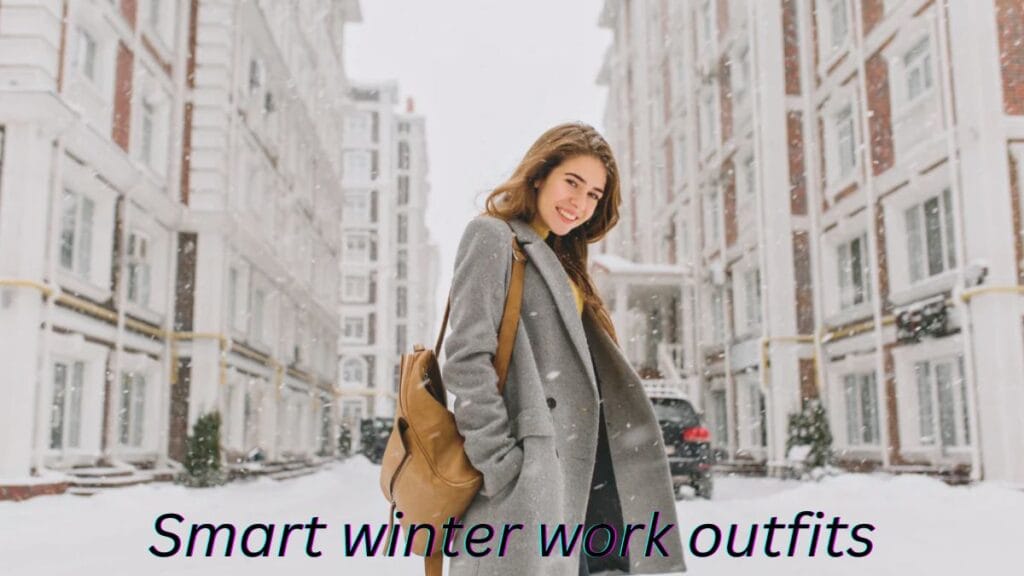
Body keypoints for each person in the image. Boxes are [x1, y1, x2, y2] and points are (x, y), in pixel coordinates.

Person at [442, 122, 686, 575]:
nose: (579, 203)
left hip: (589, 468)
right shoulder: (494, 237)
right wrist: (504, 466)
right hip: (536, 473)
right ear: (539, 174)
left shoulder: (564, 258)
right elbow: (465, 358)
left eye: (593, 194)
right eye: (572, 183)